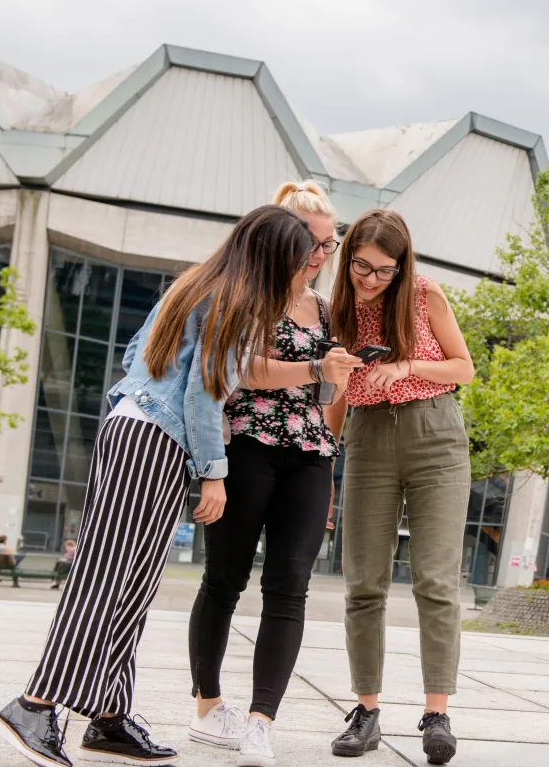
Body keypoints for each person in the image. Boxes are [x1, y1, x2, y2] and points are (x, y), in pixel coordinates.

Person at [0, 207, 318, 767]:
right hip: (152, 441)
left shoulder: (198, 283)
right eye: (297, 260)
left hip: (135, 431)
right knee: (105, 577)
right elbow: (203, 393)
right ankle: (34, 705)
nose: (303, 271)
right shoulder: (236, 300)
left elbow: (132, 356)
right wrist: (215, 473)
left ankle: (108, 716)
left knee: (134, 585)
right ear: (272, 258)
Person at [186, 181, 361, 767]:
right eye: (311, 241)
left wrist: (338, 378)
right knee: (224, 580)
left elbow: (330, 394)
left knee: (290, 588)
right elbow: (240, 373)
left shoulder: (330, 309)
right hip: (247, 446)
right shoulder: (247, 298)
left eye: (329, 245)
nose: (319, 254)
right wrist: (314, 365)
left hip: (309, 454)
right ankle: (209, 707)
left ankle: (262, 720)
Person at [326, 210, 474, 764]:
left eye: (384, 270)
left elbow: (464, 368)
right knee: (364, 581)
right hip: (367, 438)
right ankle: (366, 712)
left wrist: (408, 365)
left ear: (402, 265)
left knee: (436, 580)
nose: (371, 279)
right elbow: (339, 390)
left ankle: (437, 714)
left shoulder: (424, 294)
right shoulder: (338, 305)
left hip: (434, 434)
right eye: (362, 266)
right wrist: (325, 457)